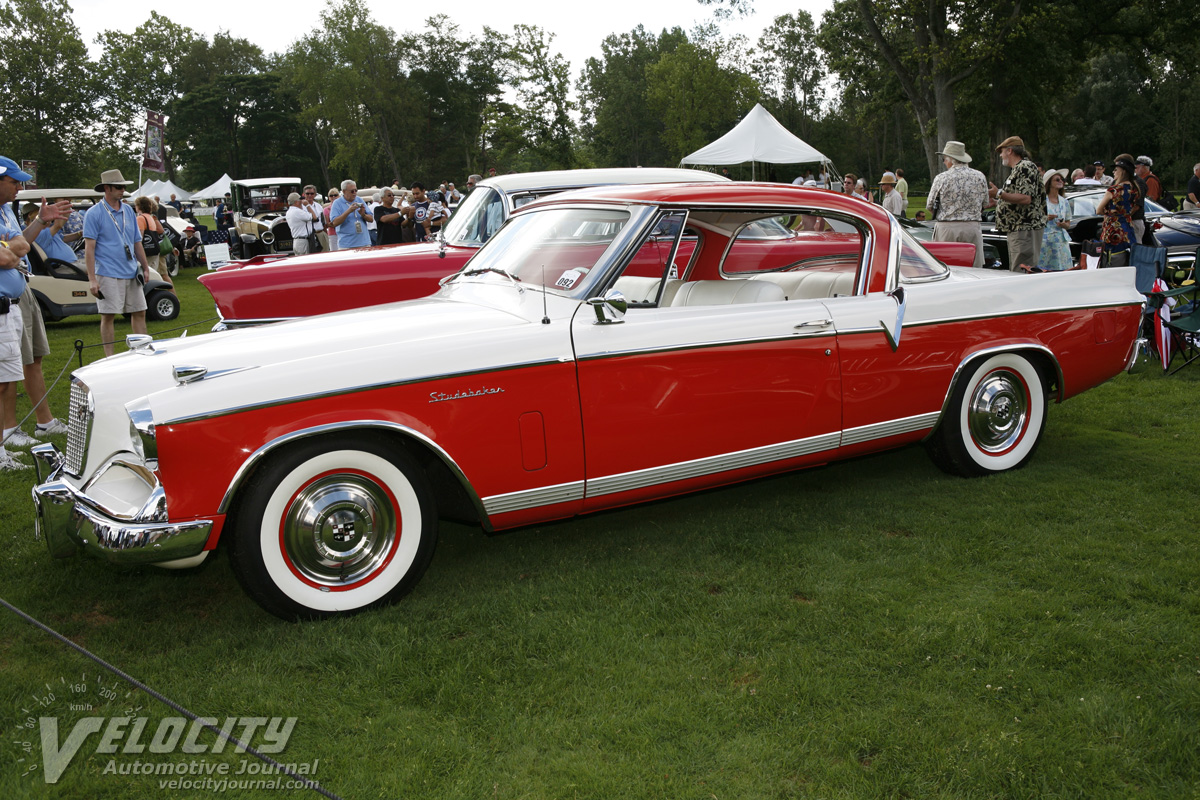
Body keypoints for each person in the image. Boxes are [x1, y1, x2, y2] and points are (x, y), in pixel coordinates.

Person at [1, 161, 70, 449]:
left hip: (19, 293)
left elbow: (22, 247)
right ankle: (8, 430)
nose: (20, 187)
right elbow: (7, 258)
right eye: (14, 182)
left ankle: (35, 424)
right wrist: (12, 250)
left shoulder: (6, 209)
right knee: (7, 371)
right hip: (5, 299)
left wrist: (40, 222)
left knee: (25, 361)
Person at [84, 169, 151, 358]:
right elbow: (89, 248)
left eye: (124, 187)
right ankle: (109, 357)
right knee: (108, 316)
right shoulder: (93, 213)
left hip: (131, 270)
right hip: (107, 272)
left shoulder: (128, 210)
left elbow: (136, 242)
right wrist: (92, 279)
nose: (123, 190)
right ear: (107, 188)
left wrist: (145, 267)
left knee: (139, 311)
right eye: (119, 187)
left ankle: (142, 352)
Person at [926, 141, 989, 268]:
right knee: (974, 270)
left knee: (946, 268)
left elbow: (930, 205)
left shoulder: (941, 178)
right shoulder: (980, 176)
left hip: (946, 229)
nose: (944, 162)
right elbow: (985, 203)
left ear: (950, 160)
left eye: (944, 159)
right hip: (971, 228)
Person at [989, 136, 1047, 271]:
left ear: (1010, 151)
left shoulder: (1025, 167)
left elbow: (1026, 198)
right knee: (1018, 268)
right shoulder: (1020, 168)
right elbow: (1019, 199)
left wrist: (999, 194)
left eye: (1002, 151)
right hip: (1019, 228)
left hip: (1024, 228)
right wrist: (998, 202)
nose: (1001, 155)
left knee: (1021, 270)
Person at [1095, 157, 1139, 266]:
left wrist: (1109, 212)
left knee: (1111, 259)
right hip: (1127, 226)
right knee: (1127, 258)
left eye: (1116, 170)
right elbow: (1133, 207)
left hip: (1113, 229)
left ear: (1123, 171)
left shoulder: (1113, 190)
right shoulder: (1135, 189)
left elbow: (1098, 210)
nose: (1113, 172)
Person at [1039, 169, 1072, 271]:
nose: (1060, 181)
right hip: (1045, 242)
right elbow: (1034, 220)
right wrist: (1046, 218)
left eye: (1062, 179)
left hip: (1061, 242)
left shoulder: (1064, 202)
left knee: (1063, 270)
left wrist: (1063, 225)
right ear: (1049, 183)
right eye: (1057, 179)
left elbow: (1068, 223)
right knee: (1045, 270)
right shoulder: (1042, 201)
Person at [134, 196, 170, 284]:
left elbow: (140, 237)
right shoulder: (150, 217)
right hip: (154, 249)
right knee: (153, 275)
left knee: (144, 276)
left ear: (139, 206)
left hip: (146, 251)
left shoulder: (140, 218)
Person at [328, 180, 373, 249]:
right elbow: (335, 222)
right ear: (344, 191)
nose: (354, 193)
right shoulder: (337, 203)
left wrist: (363, 215)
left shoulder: (360, 200)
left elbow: (371, 219)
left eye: (356, 190)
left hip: (364, 242)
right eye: (352, 191)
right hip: (347, 244)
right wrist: (349, 211)